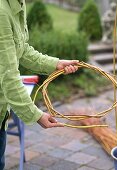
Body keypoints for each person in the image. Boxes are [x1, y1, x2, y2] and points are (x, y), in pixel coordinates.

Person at [0, 0, 79, 169]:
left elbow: (22, 50)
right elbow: (8, 77)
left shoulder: (18, 4)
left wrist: (56, 64)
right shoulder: (1, 12)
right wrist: (35, 115)